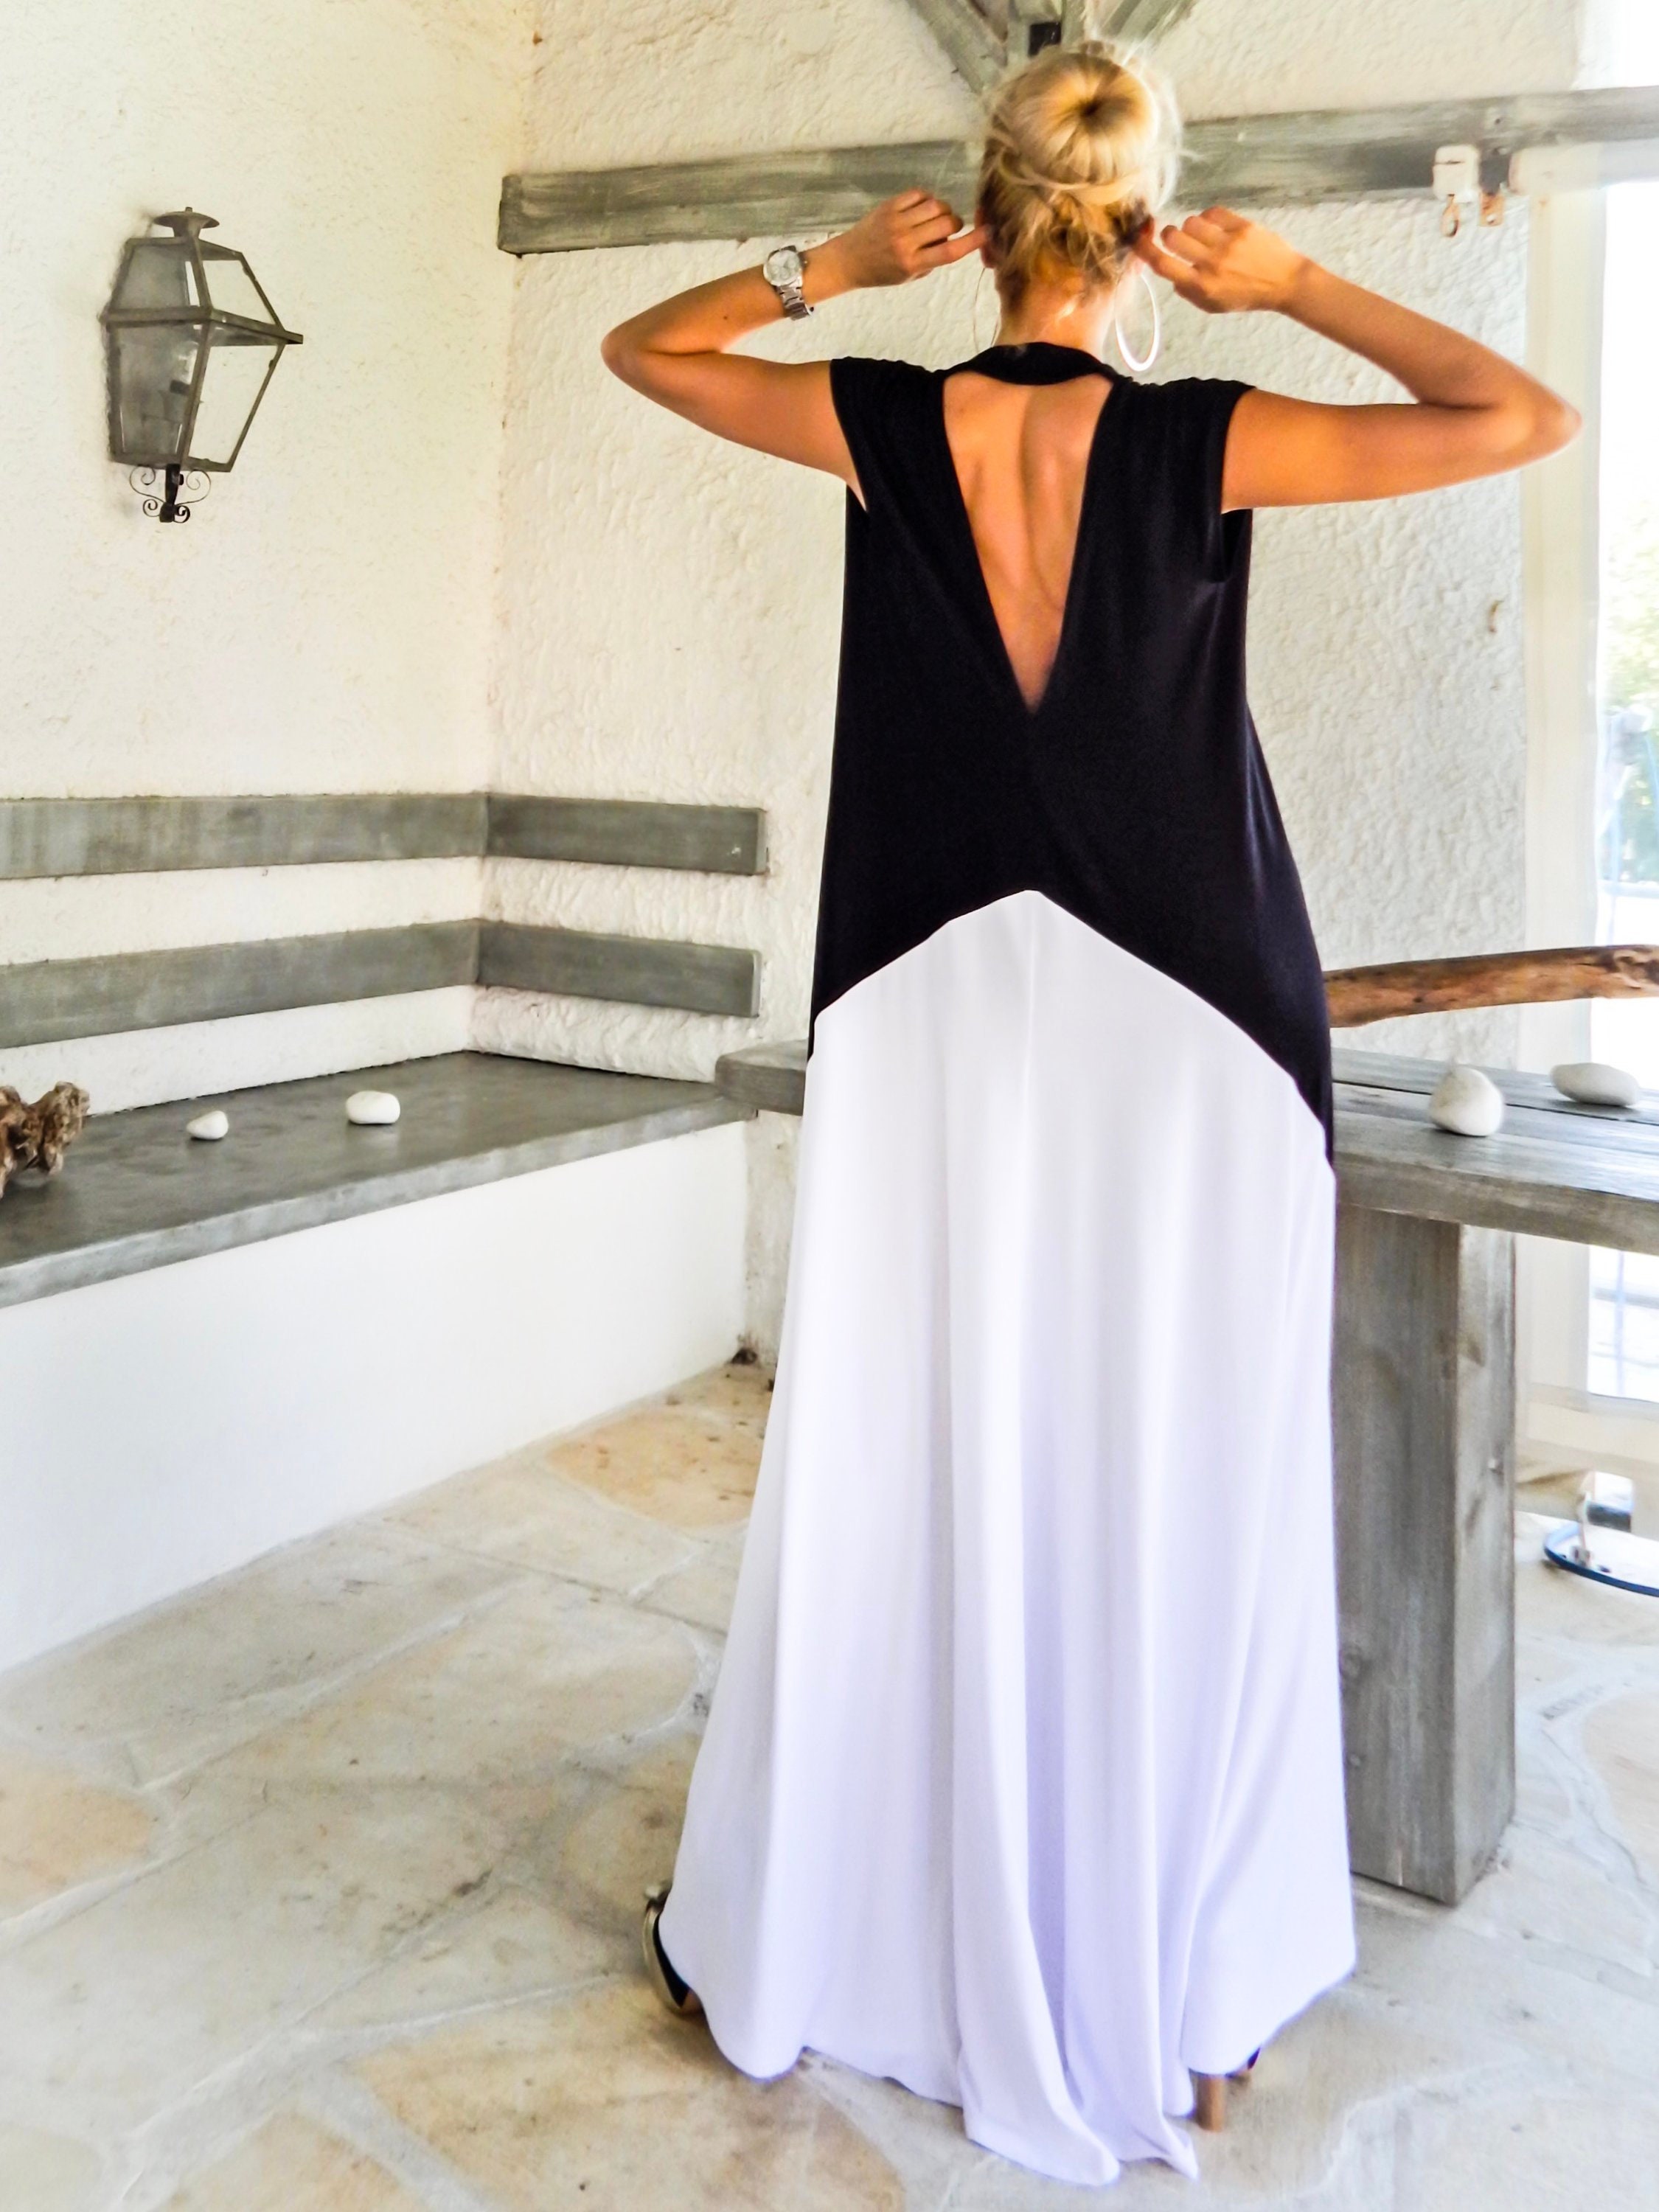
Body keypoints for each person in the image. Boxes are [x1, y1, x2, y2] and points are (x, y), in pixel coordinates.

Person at [601, 39, 1577, 2189]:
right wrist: (1298, 286)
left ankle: (874, 1921)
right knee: (1174, 1462)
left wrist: (821, 265)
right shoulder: (1209, 434)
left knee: (916, 1435)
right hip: (1191, 1013)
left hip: (934, 993)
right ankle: (1179, 1983)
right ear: (1138, 236)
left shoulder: (882, 420)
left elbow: (641, 348)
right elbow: (1519, 417)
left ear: (981, 216)